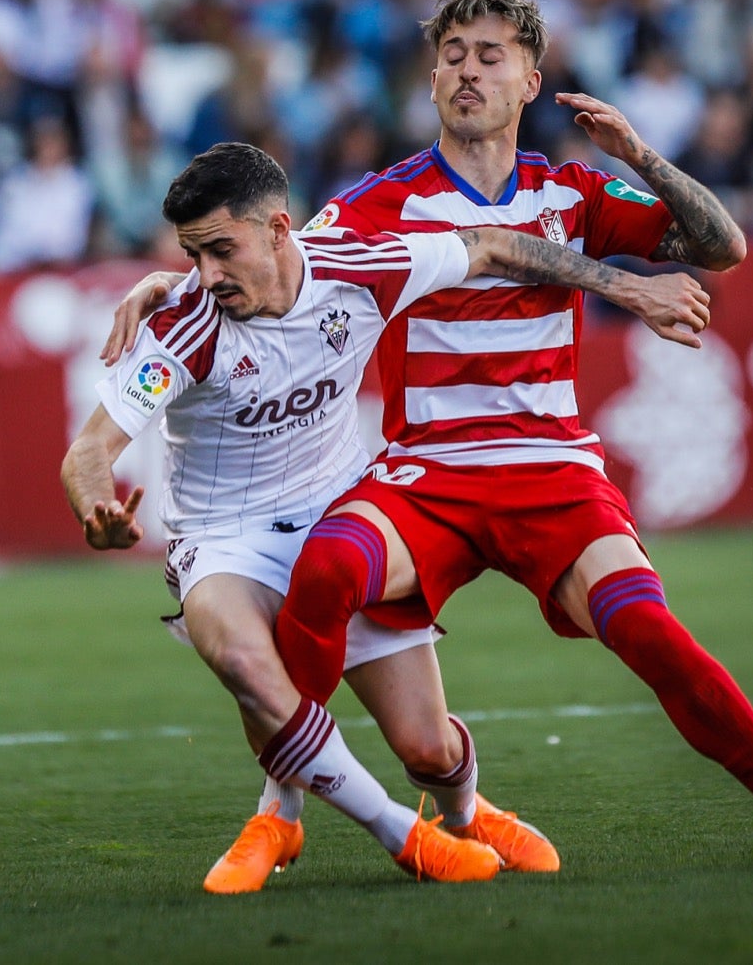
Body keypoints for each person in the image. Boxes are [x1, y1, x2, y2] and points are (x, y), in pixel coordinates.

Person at [109, 0, 753, 871]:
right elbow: (272, 263)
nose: (466, 72)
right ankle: (280, 809)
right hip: (426, 476)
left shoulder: (573, 193)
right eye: (450, 57)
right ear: (431, 81)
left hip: (552, 471)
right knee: (326, 571)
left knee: (649, 630)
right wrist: (166, 282)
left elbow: (724, 247)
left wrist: (640, 153)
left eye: (490, 56)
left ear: (530, 80)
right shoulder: (376, 202)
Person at [66, 141, 713, 891]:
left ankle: (463, 812)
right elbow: (88, 451)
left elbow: (496, 245)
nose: (206, 275)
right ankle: (401, 835)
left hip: (342, 518)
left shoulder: (358, 269)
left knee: (428, 750)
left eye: (219, 251)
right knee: (247, 663)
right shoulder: (184, 327)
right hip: (224, 543)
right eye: (191, 255)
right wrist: (98, 509)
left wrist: (630, 291)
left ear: (280, 230)